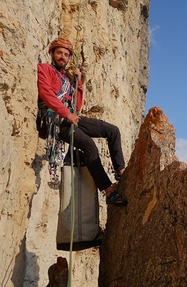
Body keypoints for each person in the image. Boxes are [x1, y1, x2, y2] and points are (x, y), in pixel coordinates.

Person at [37, 37, 127, 206]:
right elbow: (45, 94)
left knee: (112, 130)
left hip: (69, 118)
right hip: (55, 122)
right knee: (89, 145)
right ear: (52, 53)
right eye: (59, 53)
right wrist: (66, 113)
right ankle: (109, 191)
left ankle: (120, 170)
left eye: (66, 54)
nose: (62, 57)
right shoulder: (44, 69)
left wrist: (78, 84)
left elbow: (76, 106)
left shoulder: (67, 79)